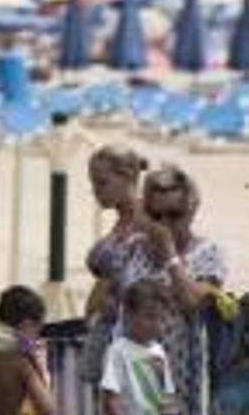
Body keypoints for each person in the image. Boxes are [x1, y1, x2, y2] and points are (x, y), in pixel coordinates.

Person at [97, 165, 228, 415]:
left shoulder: (208, 255)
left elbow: (191, 302)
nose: (165, 223)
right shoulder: (132, 248)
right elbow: (100, 297)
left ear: (192, 210)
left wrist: (168, 251)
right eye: (156, 215)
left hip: (176, 384)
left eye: (174, 214)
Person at [81, 145, 148, 386]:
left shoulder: (147, 221)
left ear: (128, 178)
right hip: (105, 333)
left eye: (102, 183)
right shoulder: (122, 222)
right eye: (93, 184)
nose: (96, 191)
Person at [100, 279, 179, 415]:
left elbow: (167, 395)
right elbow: (112, 399)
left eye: (162, 319)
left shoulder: (159, 351)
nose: (157, 325)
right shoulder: (118, 351)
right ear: (128, 315)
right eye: (150, 317)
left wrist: (171, 410)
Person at [0, 286, 56, 415]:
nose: (37, 338)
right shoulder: (20, 364)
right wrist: (36, 362)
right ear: (27, 324)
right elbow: (48, 409)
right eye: (38, 331)